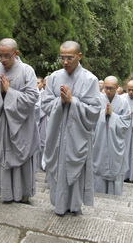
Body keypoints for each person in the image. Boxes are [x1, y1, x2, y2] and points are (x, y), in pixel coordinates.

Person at [42, 41, 101, 216]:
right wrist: (60, 101)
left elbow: (94, 110)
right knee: (59, 169)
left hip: (78, 136)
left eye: (70, 58)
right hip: (57, 133)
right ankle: (59, 204)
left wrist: (72, 102)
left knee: (75, 168)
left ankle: (75, 206)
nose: (65, 62)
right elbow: (45, 104)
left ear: (79, 56)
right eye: (62, 58)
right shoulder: (53, 77)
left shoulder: (90, 79)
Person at [0, 38, 40, 204]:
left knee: (21, 157)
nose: (3, 59)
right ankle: (6, 192)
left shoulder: (27, 71)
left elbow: (32, 97)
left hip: (22, 125)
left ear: (16, 53)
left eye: (7, 55)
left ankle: (23, 194)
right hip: (1, 124)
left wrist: (9, 92)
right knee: (3, 156)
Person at [93, 76, 131, 195]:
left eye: (111, 88)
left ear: (117, 87)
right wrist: (103, 114)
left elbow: (126, 123)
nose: (108, 91)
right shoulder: (98, 99)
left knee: (115, 165)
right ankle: (97, 191)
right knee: (99, 164)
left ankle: (115, 193)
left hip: (115, 141)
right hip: (100, 138)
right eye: (106, 88)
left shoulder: (123, 102)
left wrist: (112, 115)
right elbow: (90, 117)